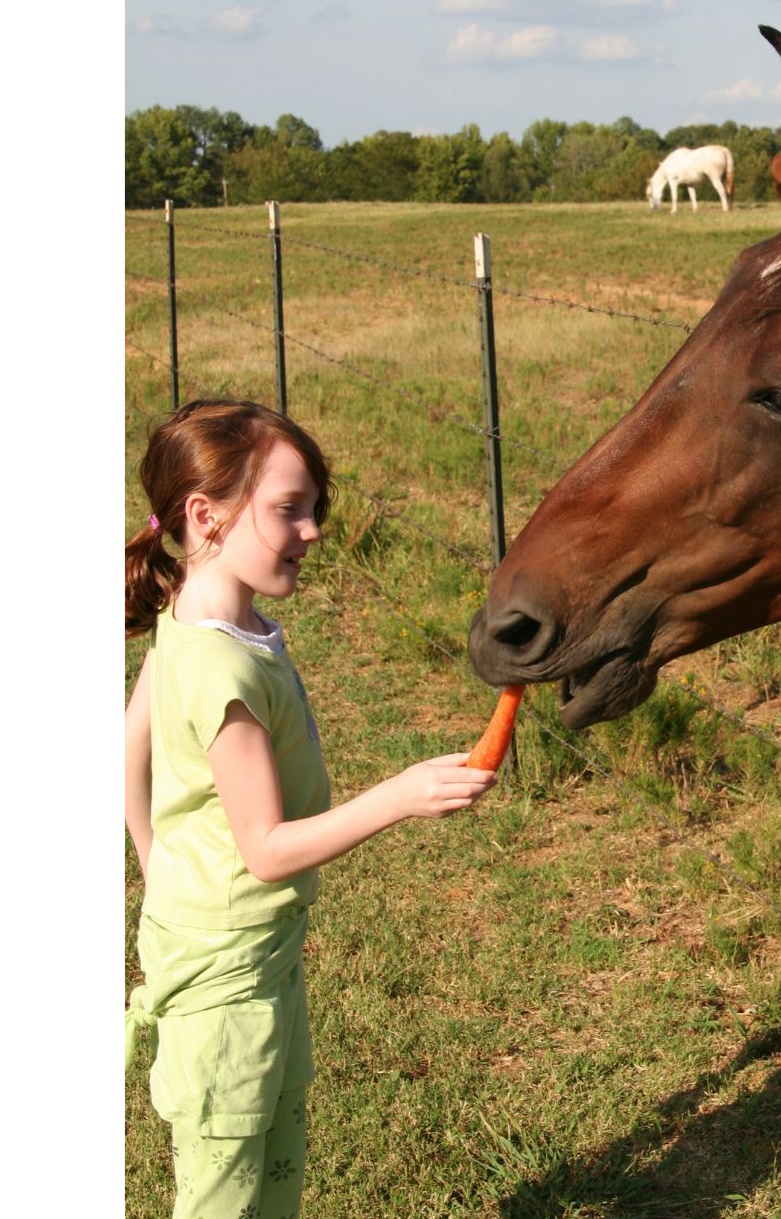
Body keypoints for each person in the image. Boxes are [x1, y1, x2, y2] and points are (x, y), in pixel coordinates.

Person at [124, 399, 496, 1218]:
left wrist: (162, 873)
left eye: (314, 507)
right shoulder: (221, 667)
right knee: (224, 1196)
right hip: (227, 983)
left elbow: (128, 750)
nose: (314, 529)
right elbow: (264, 848)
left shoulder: (197, 617)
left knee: (273, 1178)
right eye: (289, 508)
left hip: (256, 953)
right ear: (206, 515)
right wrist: (399, 796)